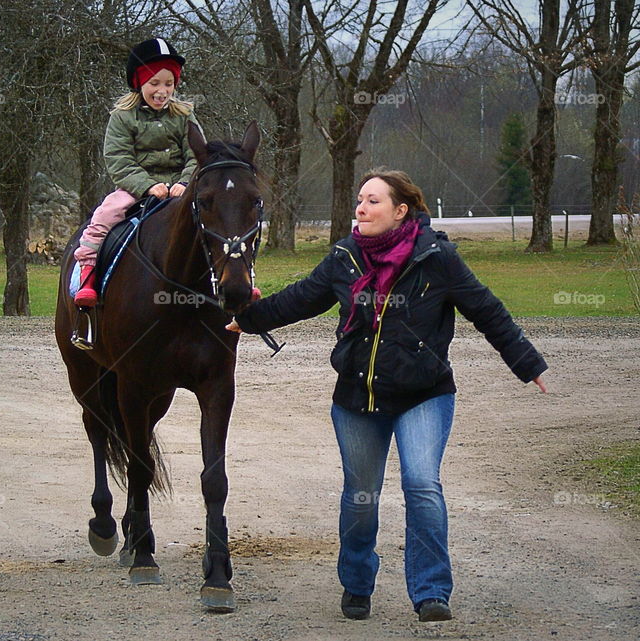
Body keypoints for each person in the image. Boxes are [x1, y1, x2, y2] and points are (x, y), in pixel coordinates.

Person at [226, 169, 548, 622]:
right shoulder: (345, 257)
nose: (361, 208)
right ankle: (357, 584)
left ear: (401, 211)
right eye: (359, 200)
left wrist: (527, 363)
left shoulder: (437, 258)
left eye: (373, 201)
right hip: (357, 400)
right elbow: (300, 299)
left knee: (422, 485)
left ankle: (432, 591)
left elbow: (487, 310)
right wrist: (250, 317)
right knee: (361, 495)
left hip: (425, 395)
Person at [73, 37, 201, 307]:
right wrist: (146, 185)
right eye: (154, 83)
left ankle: (238, 280)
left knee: (220, 217)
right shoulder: (122, 117)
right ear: (139, 82)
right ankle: (88, 272)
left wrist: (185, 182)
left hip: (181, 187)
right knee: (105, 215)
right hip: (136, 187)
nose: (162, 91)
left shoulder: (184, 114)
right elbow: (119, 159)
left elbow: (196, 154)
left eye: (169, 84)